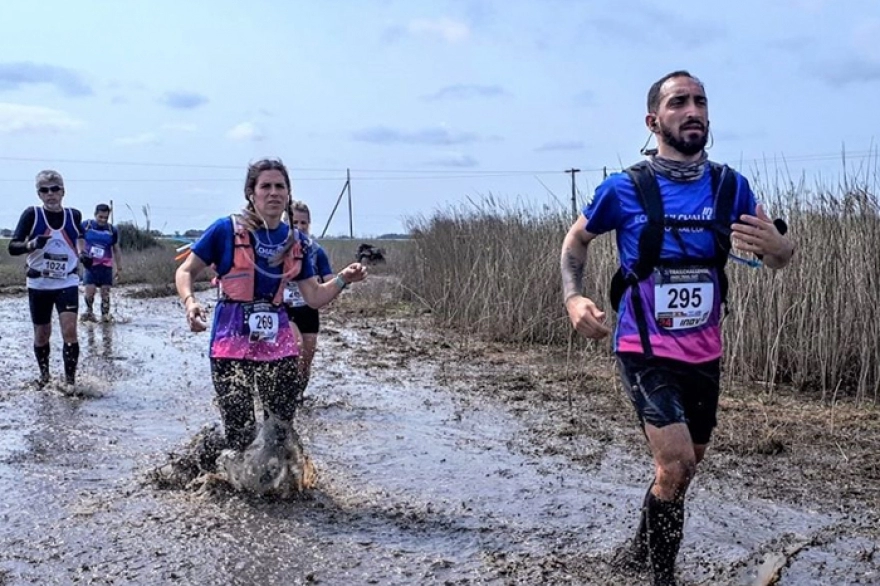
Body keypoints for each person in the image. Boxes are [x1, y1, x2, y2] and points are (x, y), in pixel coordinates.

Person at [560, 71, 794, 586]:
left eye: (700, 102)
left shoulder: (731, 186)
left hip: (704, 350)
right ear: (654, 120)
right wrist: (574, 297)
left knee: (684, 470)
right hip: (642, 348)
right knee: (677, 462)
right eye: (678, 102)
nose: (693, 111)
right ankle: (660, 578)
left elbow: (778, 250)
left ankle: (637, 552)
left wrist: (779, 250)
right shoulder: (624, 189)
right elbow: (575, 241)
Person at [175, 158, 367, 459]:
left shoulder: (297, 242)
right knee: (241, 435)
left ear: (288, 194)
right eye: (266, 186)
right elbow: (185, 271)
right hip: (230, 343)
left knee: (280, 431)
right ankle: (206, 461)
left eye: (280, 186)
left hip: (277, 344)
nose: (274, 192)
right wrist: (190, 303)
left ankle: (279, 490)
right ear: (252, 193)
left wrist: (344, 279)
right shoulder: (225, 230)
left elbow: (314, 297)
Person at [8, 169, 91, 390]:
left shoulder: (74, 215)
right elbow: (12, 247)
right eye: (44, 190)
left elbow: (79, 237)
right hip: (39, 283)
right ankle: (44, 377)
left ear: (63, 191)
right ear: (39, 194)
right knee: (42, 334)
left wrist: (83, 254)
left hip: (67, 281)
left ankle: (70, 384)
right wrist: (31, 245)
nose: (50, 194)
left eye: (55, 189)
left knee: (70, 330)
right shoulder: (32, 214)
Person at [283, 200, 335, 404]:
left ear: (309, 224)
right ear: (286, 223)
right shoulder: (278, 248)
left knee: (307, 357)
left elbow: (329, 278)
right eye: (294, 223)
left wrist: (342, 282)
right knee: (296, 348)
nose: (299, 227)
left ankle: (299, 396)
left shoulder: (316, 251)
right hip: (285, 308)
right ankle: (284, 397)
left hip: (309, 308)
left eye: (303, 223)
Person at [81, 203, 122, 322]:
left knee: (105, 292)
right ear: (95, 215)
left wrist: (119, 268)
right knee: (90, 291)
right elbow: (78, 241)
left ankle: (105, 316)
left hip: (106, 266)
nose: (103, 220)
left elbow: (116, 249)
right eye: (100, 217)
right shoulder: (86, 226)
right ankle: (89, 313)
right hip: (90, 265)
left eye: (106, 217)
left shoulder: (111, 230)